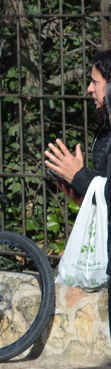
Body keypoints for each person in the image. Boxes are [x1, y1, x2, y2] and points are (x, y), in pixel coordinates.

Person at [44, 48, 111, 343]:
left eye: (95, 81)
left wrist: (82, 177)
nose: (89, 88)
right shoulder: (105, 128)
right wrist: (84, 196)